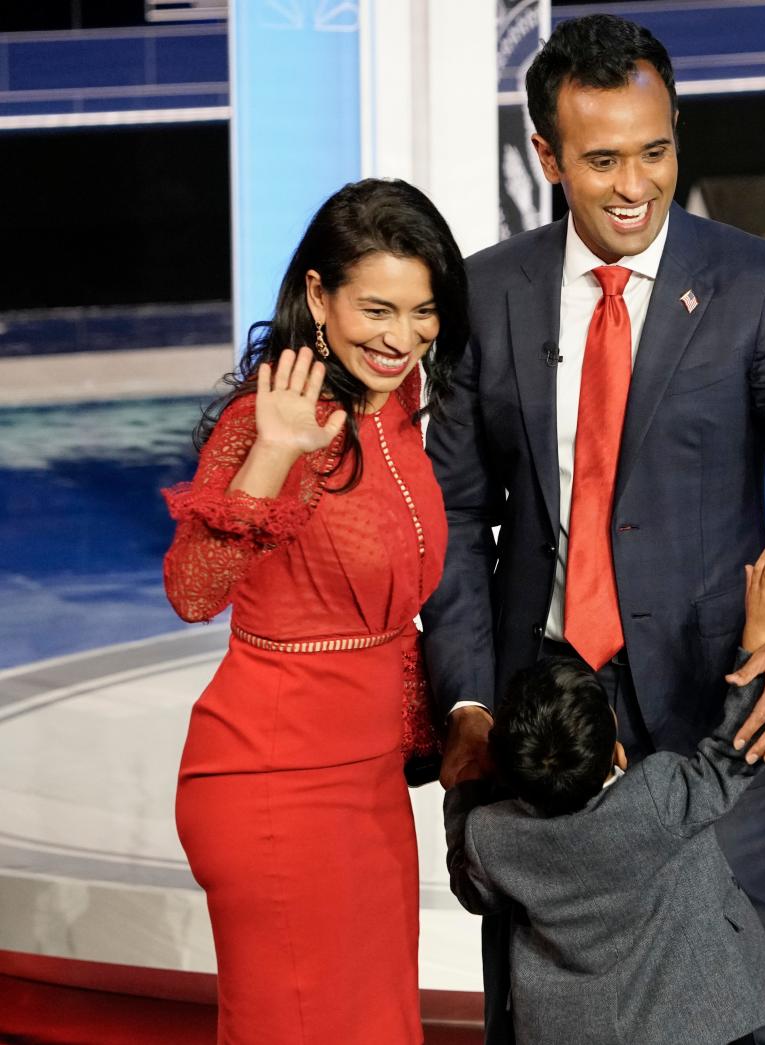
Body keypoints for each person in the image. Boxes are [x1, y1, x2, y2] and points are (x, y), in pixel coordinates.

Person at [420, 14, 765, 1045]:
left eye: (657, 149)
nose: (636, 185)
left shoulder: (758, 284)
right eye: (603, 159)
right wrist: (465, 694)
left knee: (757, 992)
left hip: (721, 694)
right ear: (547, 155)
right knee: (536, 999)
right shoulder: (486, 293)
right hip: (536, 710)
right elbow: (454, 509)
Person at [162, 178, 467, 1044]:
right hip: (273, 785)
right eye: (377, 309)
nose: (402, 338)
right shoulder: (270, 420)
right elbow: (193, 589)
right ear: (317, 297)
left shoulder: (403, 406)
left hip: (369, 786)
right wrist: (272, 453)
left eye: (424, 312)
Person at [445, 549, 765, 1045]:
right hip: (700, 1021)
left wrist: (465, 789)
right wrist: (757, 641)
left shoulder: (492, 837)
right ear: (616, 747)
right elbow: (732, 756)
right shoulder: (658, 799)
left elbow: (471, 889)